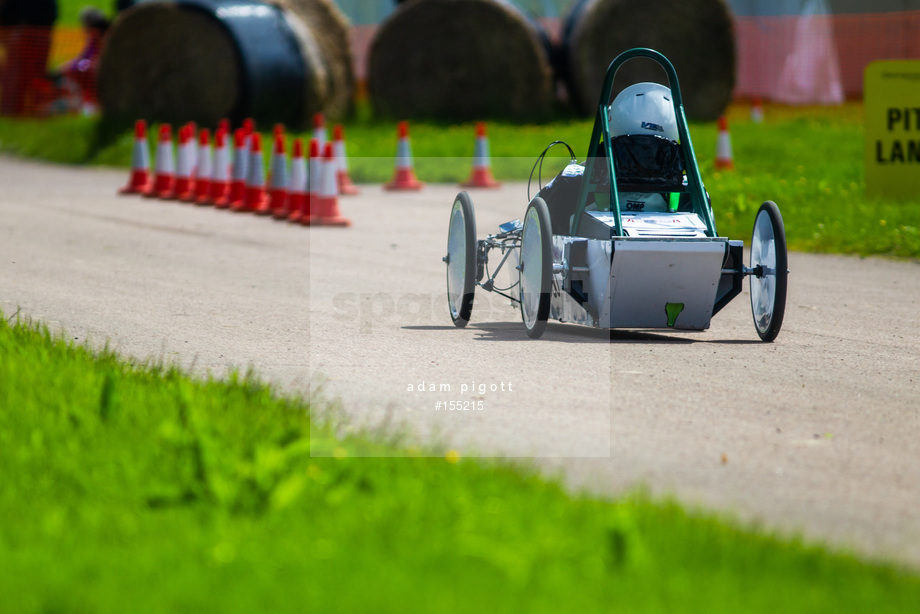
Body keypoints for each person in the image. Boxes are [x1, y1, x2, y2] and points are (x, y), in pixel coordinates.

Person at [0, 0, 58, 115]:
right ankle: (28, 111)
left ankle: (14, 111)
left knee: (18, 77)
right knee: (32, 76)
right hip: (37, 34)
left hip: (22, 34)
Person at [48, 7, 110, 111]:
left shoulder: (107, 43)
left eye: (87, 27)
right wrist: (63, 69)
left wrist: (70, 69)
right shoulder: (92, 43)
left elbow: (87, 64)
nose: (85, 31)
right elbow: (81, 60)